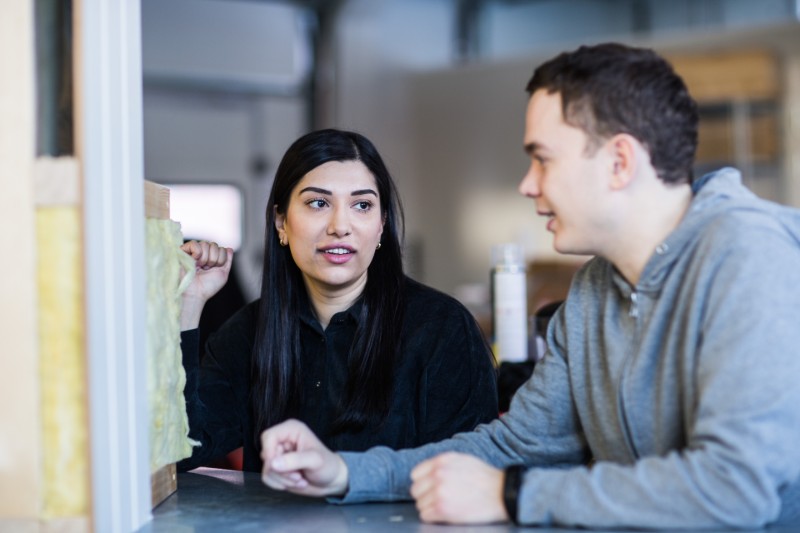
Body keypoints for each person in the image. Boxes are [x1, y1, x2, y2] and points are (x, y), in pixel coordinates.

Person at [258, 43, 800, 529]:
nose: (527, 184)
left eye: (542, 158)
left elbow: (736, 487)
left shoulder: (749, 256)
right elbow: (518, 444)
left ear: (619, 162)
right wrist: (344, 472)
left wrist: (513, 494)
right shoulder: (593, 290)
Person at [177, 128, 499, 473]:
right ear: (281, 221)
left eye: (362, 205)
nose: (340, 226)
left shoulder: (442, 329)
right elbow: (183, 449)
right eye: (318, 203)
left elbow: (466, 473)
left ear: (381, 225)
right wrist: (189, 303)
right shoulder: (247, 333)